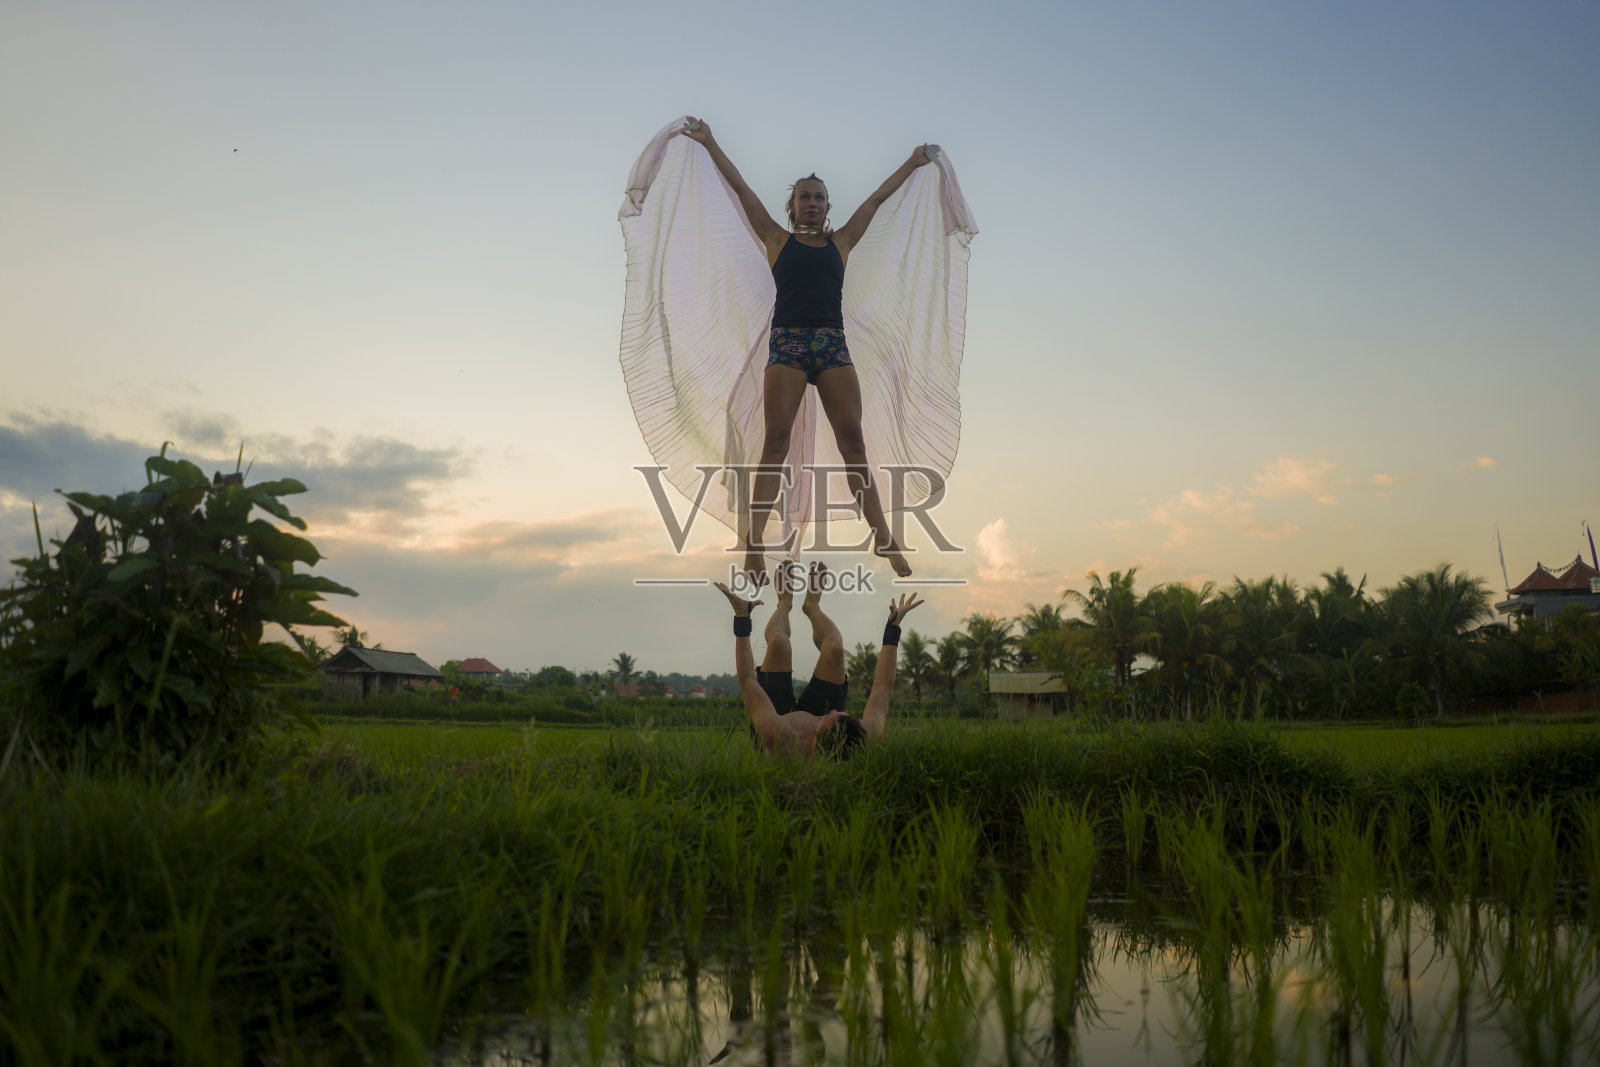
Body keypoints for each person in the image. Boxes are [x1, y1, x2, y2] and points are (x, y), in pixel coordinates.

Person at [681, 118, 932, 584]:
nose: (812, 203)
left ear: (828, 206)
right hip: (789, 343)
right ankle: (754, 547)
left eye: (818, 197)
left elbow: (877, 198)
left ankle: (884, 536)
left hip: (832, 344)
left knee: (853, 442)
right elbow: (739, 189)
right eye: (804, 197)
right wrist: (710, 142)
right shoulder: (777, 239)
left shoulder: (842, 241)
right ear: (792, 206)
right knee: (775, 441)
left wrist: (912, 163)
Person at [713, 561, 924, 756]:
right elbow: (882, 688)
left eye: (828, 717)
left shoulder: (779, 739)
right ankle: (812, 605)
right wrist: (893, 629)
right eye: (840, 713)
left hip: (778, 718)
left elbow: (748, 680)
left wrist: (742, 619)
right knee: (834, 648)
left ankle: (784, 602)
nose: (832, 710)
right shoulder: (865, 735)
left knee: (779, 642)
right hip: (819, 735)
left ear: (818, 737)